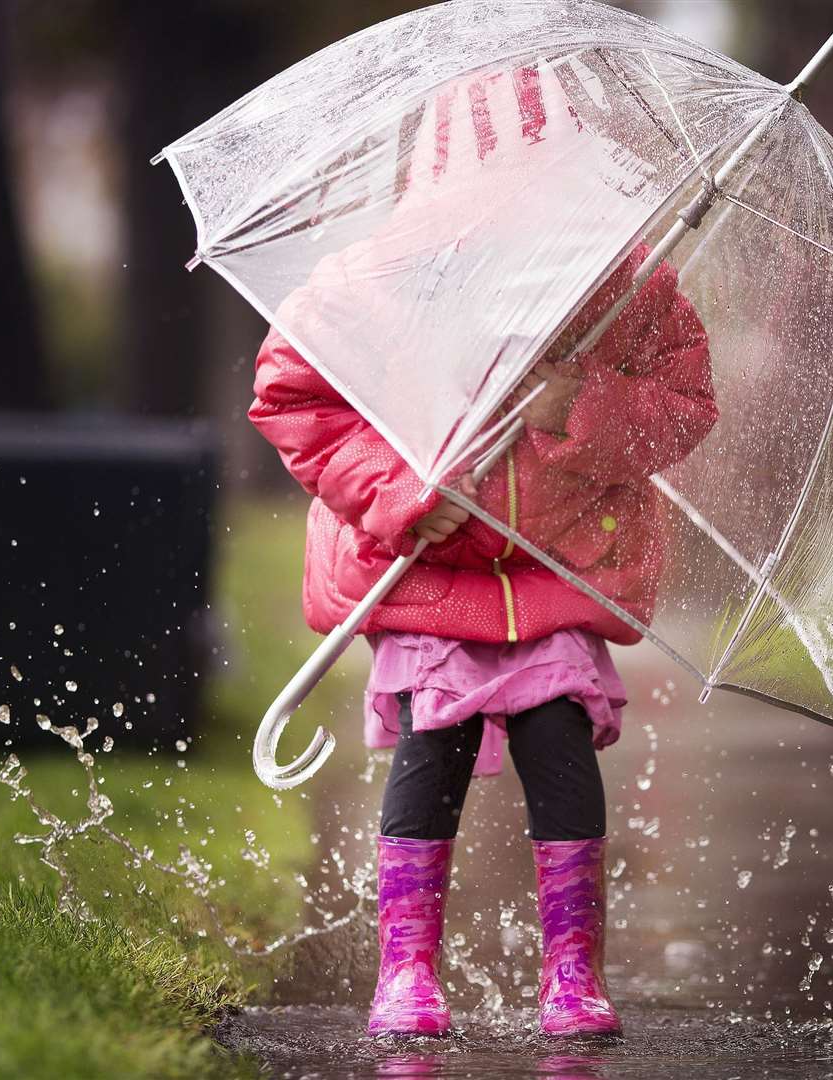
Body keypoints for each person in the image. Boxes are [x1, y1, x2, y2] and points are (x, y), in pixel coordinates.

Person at [249, 237, 717, 1037]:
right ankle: (405, 969)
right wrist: (397, 494)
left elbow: (682, 409)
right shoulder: (375, 281)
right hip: (428, 565)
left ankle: (573, 971)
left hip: (553, 564)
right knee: (434, 741)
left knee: (557, 735)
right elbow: (297, 401)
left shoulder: (628, 284)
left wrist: (578, 403)